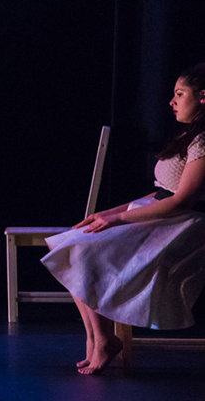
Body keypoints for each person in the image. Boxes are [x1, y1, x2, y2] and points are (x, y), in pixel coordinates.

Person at [41, 62, 205, 375]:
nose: (172, 102)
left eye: (180, 94)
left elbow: (182, 200)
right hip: (160, 215)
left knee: (85, 251)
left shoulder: (203, 141)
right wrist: (108, 213)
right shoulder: (189, 136)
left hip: (182, 225)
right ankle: (96, 337)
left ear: (203, 97)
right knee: (71, 245)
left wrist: (118, 221)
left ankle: (103, 339)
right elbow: (159, 193)